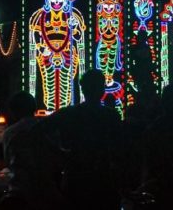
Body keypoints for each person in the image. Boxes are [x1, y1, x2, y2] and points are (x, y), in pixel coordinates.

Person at [39, 69, 123, 210]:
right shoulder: (111, 116)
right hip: (103, 177)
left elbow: (38, 132)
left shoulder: (68, 114)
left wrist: (60, 153)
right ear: (102, 89)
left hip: (76, 175)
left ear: (83, 89)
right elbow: (120, 147)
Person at [0, 91, 60, 210]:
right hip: (47, 188)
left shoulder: (11, 132)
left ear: (14, 111)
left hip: (19, 190)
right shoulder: (49, 129)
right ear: (34, 108)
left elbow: (8, 160)